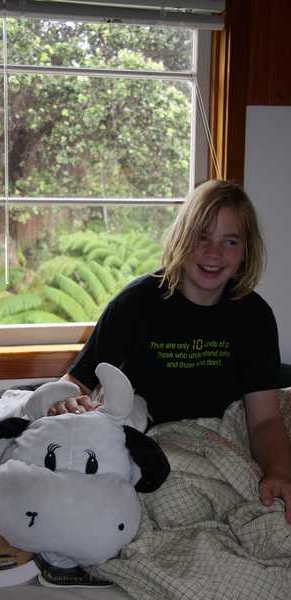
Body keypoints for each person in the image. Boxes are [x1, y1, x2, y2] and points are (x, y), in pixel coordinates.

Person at [50, 179, 291, 523]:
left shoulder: (255, 315)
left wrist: (279, 472)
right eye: (202, 237)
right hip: (153, 438)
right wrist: (65, 401)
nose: (214, 253)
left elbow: (265, 420)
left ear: (246, 252)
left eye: (230, 241)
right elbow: (77, 381)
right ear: (180, 239)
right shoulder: (136, 303)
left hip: (223, 433)